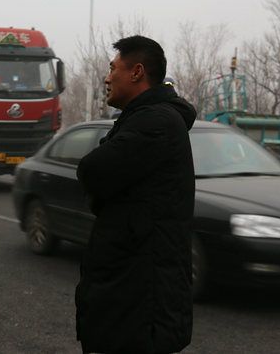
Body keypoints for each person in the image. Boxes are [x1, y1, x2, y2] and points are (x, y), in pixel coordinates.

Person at [75, 35, 196, 354]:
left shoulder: (155, 122)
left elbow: (93, 171)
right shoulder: (145, 118)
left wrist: (100, 193)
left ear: (137, 71)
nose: (107, 76)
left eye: (113, 68)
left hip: (142, 304)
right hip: (133, 294)